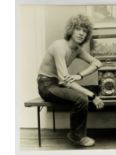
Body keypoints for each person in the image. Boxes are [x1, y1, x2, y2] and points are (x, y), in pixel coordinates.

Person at [37, 14, 104, 147]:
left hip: (58, 84)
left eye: (85, 31)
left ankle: (78, 131)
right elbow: (66, 81)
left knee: (96, 88)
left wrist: (79, 75)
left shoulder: (77, 50)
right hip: (46, 86)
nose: (81, 33)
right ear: (71, 29)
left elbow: (97, 63)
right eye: (78, 29)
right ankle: (76, 136)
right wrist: (91, 96)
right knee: (83, 98)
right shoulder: (59, 46)